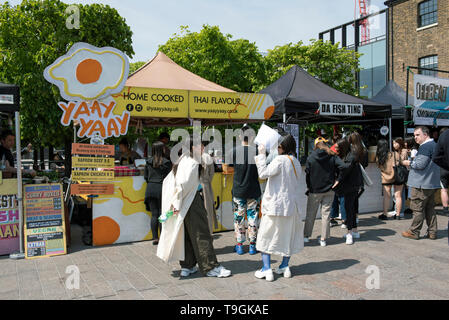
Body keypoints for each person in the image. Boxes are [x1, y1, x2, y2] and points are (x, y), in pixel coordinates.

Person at [156, 136, 231, 278]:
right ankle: (210, 267)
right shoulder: (192, 162)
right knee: (201, 234)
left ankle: (187, 266)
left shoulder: (181, 160)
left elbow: (171, 182)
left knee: (186, 235)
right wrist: (176, 203)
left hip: (181, 203)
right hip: (191, 201)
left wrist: (174, 204)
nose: (203, 148)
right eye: (201, 145)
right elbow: (182, 185)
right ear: (193, 147)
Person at [254, 134, 304, 281]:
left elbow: (263, 174)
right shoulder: (295, 161)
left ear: (284, 147)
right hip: (291, 206)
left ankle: (267, 269)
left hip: (275, 205)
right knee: (288, 236)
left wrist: (262, 155)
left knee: (265, 236)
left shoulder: (280, 160)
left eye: (279, 146)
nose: (277, 148)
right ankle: (284, 266)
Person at [304, 137, 345, 246]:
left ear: (316, 145)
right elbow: (343, 166)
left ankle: (306, 236)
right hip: (329, 189)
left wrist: (308, 186)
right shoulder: (332, 155)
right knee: (326, 215)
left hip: (314, 190)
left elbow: (307, 174)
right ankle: (323, 239)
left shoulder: (311, 157)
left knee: (310, 214)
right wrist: (338, 180)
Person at [226, 125, 261, 255]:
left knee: (238, 218)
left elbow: (227, 169)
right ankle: (252, 245)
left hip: (238, 189)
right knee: (253, 218)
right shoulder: (258, 151)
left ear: (240, 136)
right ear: (252, 136)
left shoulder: (233, 151)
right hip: (254, 190)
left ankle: (239, 245)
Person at [401, 126, 441, 240]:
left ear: (425, 134)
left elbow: (419, 165)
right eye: (414, 135)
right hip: (430, 183)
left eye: (417, 135)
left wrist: (408, 162)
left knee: (418, 209)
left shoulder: (425, 147)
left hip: (421, 184)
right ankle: (432, 232)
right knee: (430, 208)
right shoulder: (435, 145)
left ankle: (414, 231)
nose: (415, 138)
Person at [332, 138, 362, 245]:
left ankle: (349, 233)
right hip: (352, 185)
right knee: (352, 208)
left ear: (342, 147)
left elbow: (345, 169)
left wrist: (338, 180)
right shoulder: (350, 155)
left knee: (349, 209)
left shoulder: (350, 157)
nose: (335, 149)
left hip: (350, 186)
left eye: (337, 148)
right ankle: (354, 231)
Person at [144, 141, 172, 245]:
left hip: (150, 188)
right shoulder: (166, 162)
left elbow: (145, 177)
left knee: (154, 214)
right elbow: (170, 178)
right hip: (162, 189)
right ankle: (163, 236)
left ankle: (155, 238)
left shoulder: (148, 161)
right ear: (162, 149)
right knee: (161, 214)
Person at [376, 139, 407, 220]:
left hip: (386, 177)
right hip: (397, 176)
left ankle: (385, 214)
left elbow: (379, 166)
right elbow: (400, 162)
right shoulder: (394, 154)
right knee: (398, 196)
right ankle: (398, 215)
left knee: (387, 196)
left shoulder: (379, 157)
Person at [347, 132, 368, 225]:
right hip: (360, 177)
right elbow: (366, 163)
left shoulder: (350, 150)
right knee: (355, 198)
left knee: (349, 200)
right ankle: (356, 217)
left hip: (350, 177)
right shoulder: (364, 150)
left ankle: (349, 219)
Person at [432, 127, 449, 239]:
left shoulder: (445, 136)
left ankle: (445, 207)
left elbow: (436, 157)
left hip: (445, 169)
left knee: (444, 189)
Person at [200, 141, 218, 235]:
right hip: (206, 186)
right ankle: (209, 233)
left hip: (194, 187)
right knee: (208, 211)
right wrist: (206, 181)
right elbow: (212, 173)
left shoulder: (190, 157)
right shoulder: (207, 157)